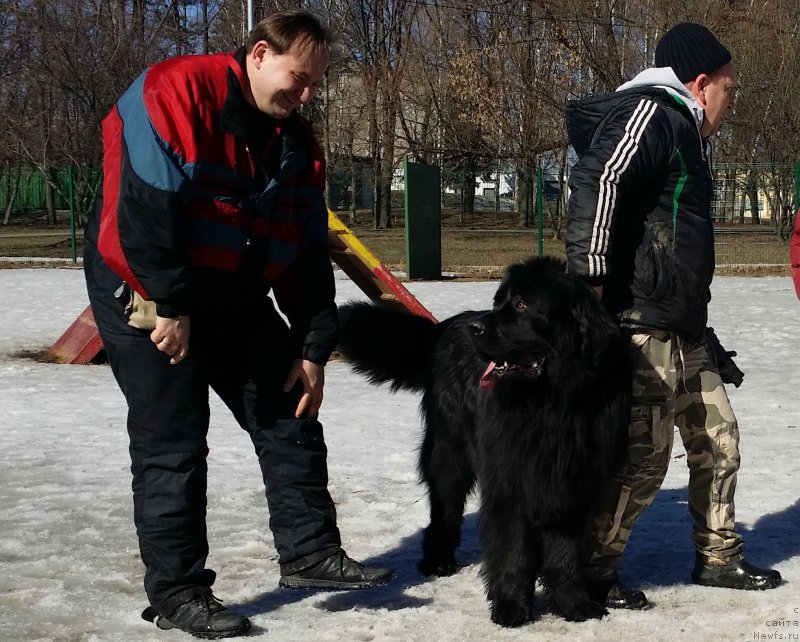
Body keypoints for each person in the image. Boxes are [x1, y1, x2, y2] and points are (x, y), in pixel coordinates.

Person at [83, 10, 394, 639]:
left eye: (314, 85)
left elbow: (305, 252)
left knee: (288, 406)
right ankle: (177, 592)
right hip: (146, 281)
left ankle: (310, 553)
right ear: (257, 55)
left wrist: (311, 346)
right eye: (296, 78)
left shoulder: (298, 147)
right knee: (173, 439)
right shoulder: (173, 92)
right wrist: (169, 306)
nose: (305, 96)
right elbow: (142, 212)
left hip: (233, 286)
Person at [565, 22, 782, 610]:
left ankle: (718, 557)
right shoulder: (651, 113)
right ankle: (592, 571)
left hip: (683, 325)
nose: (730, 104)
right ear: (701, 81)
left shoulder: (684, 130)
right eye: (729, 90)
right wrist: (587, 278)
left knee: (719, 439)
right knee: (644, 458)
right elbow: (597, 177)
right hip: (640, 324)